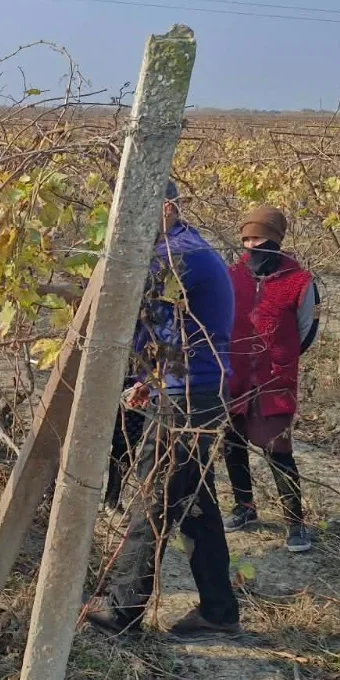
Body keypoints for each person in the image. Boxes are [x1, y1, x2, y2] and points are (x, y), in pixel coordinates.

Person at [86, 182, 242, 641]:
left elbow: (130, 313)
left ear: (168, 207)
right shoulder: (179, 247)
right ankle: (219, 610)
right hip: (191, 390)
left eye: (138, 210)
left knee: (156, 500)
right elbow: (164, 327)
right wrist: (146, 381)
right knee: (195, 504)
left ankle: (122, 611)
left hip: (191, 398)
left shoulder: (176, 257)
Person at [222, 205, 320, 552]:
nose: (251, 245)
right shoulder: (232, 275)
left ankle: (295, 523)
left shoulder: (300, 282)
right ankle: (244, 507)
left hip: (274, 382)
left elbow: (306, 332)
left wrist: (279, 358)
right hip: (234, 379)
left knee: (278, 451)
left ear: (275, 241)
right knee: (231, 445)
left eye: (259, 238)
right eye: (246, 238)